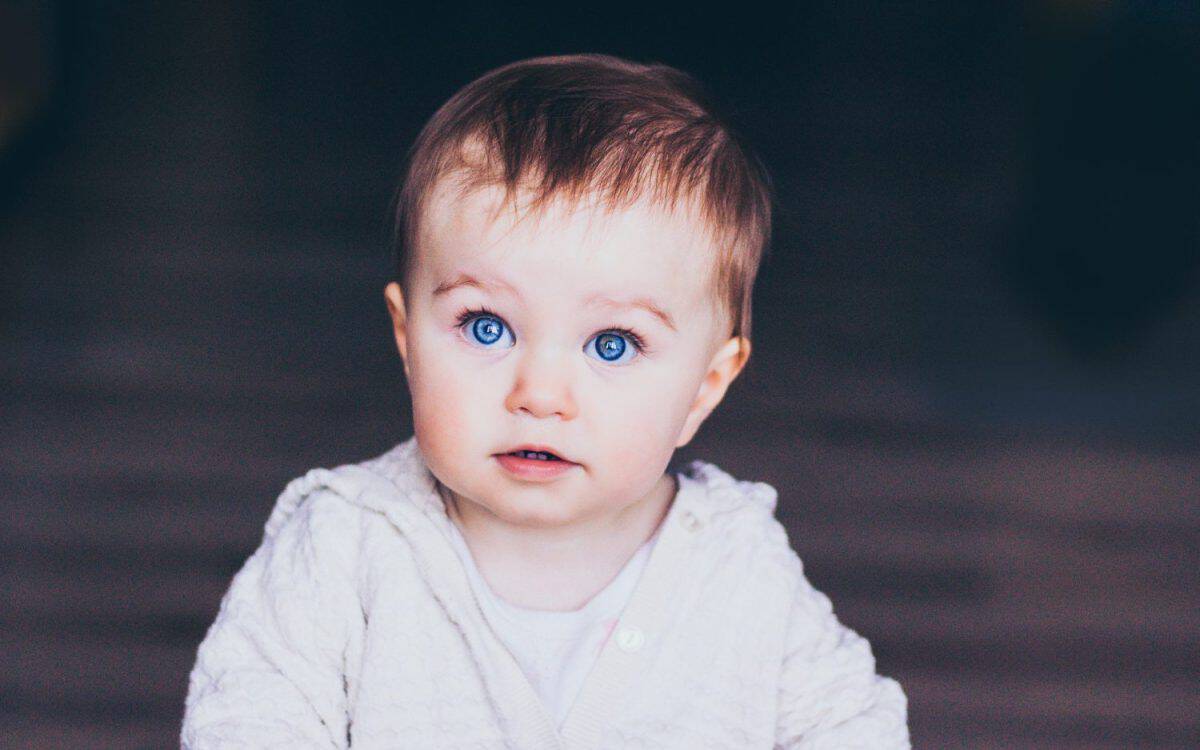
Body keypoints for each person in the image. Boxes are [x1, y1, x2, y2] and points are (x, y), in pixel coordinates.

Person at [180, 53, 910, 748]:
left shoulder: (738, 564)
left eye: (613, 344)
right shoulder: (344, 548)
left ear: (705, 388)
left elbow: (851, 724)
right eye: (487, 327)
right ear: (407, 339)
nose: (539, 394)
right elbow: (247, 723)